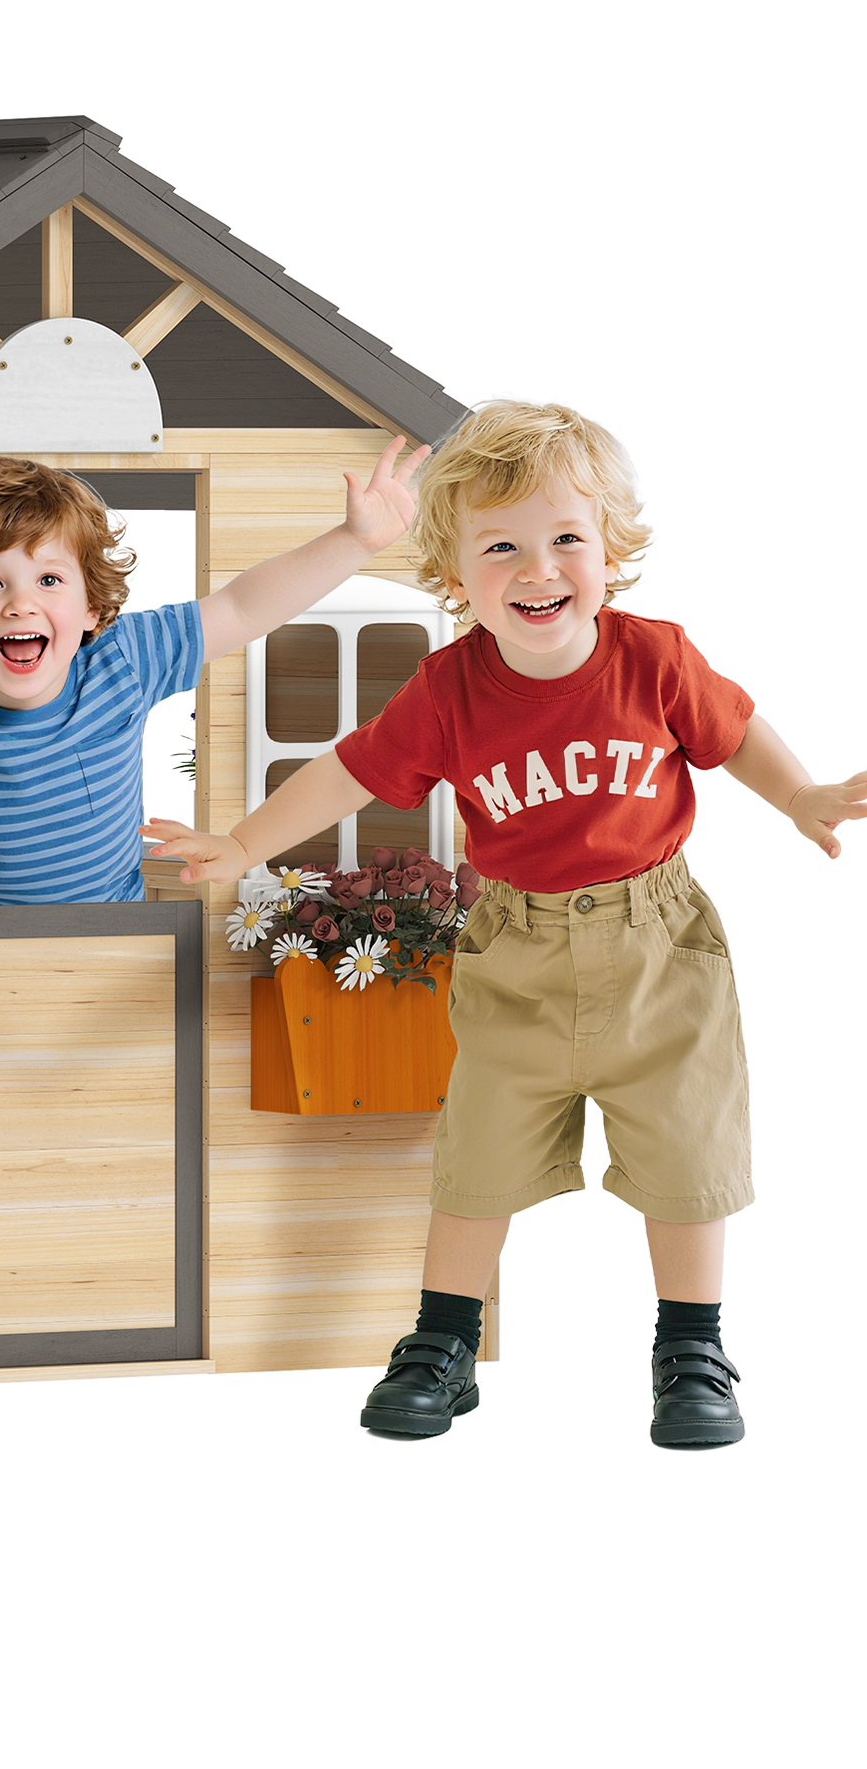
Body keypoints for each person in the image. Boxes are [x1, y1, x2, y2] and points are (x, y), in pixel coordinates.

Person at [145, 400, 866, 1446]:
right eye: (501, 548)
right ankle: (441, 1341)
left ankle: (692, 1348)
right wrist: (244, 841)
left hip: (658, 947)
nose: (538, 570)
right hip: (515, 952)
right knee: (476, 1158)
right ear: (455, 571)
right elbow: (350, 771)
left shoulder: (654, 658)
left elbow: (734, 731)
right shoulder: (448, 689)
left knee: (688, 1152)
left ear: (610, 548)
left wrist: (800, 794)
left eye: (566, 538)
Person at [0, 438, 425, 906]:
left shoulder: (123, 658)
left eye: (48, 579)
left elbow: (242, 607)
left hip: (118, 929)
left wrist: (355, 541)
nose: (21, 604)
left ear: (91, 608)